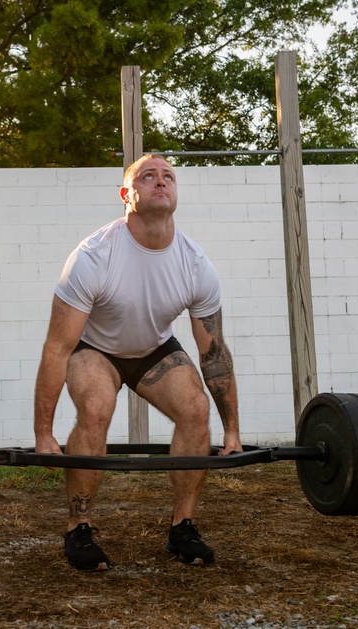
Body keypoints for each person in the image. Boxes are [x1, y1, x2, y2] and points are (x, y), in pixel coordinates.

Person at [33, 154, 242, 571]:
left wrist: (233, 429)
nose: (160, 181)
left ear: (176, 193)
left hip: (154, 350)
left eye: (168, 176)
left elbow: (213, 353)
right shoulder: (93, 256)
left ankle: (183, 526)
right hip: (97, 350)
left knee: (196, 409)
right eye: (148, 176)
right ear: (127, 195)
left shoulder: (196, 265)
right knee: (95, 408)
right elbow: (57, 348)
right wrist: (43, 433)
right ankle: (79, 526)